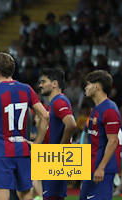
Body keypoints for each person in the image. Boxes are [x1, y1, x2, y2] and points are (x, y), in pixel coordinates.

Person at [0, 52, 49, 200]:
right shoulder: (26, 89)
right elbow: (45, 116)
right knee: (25, 193)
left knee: (1, 192)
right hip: (22, 149)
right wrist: (37, 143)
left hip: (2, 150)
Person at [80, 70, 122, 200]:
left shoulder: (109, 109)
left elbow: (113, 141)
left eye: (88, 84)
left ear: (97, 87)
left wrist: (101, 168)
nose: (85, 87)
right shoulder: (97, 109)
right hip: (92, 165)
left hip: (102, 169)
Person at [38, 68, 77, 199]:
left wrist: (61, 147)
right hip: (52, 157)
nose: (40, 85)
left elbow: (71, 124)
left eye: (43, 81)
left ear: (54, 83)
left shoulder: (59, 101)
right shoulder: (55, 102)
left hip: (56, 157)